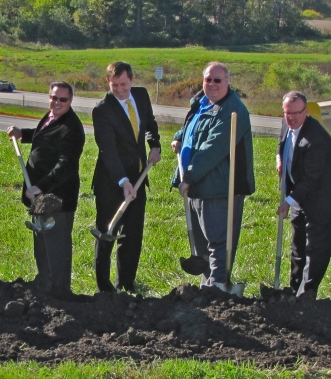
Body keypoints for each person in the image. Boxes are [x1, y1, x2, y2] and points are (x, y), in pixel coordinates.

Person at [170, 62, 255, 289]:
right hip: (199, 184)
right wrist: (179, 136)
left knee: (218, 241)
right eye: (208, 79)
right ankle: (207, 285)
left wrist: (188, 177)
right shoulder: (202, 103)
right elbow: (194, 126)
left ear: (228, 82)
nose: (212, 84)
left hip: (220, 186)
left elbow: (211, 149)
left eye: (218, 80)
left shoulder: (232, 111)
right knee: (202, 243)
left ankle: (217, 288)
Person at [6, 82, 86, 297]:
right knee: (42, 244)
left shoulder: (72, 128)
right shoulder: (52, 117)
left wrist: (40, 188)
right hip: (40, 197)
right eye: (53, 97)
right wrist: (23, 133)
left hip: (57, 199)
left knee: (56, 247)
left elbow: (65, 166)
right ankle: (45, 287)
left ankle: (60, 293)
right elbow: (46, 138)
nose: (56, 102)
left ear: (70, 101)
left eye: (62, 99)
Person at [91, 61, 161, 293]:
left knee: (132, 236)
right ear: (107, 82)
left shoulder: (140, 96)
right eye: (114, 85)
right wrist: (123, 181)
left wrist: (154, 145)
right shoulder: (102, 110)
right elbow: (108, 150)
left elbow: (149, 123)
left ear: (132, 79)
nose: (120, 90)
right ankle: (104, 288)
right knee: (107, 232)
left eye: (123, 84)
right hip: (112, 181)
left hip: (139, 178)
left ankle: (127, 285)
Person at [277, 90, 331, 300]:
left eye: (296, 113)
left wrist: (288, 201)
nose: (290, 118)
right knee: (297, 246)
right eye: (287, 113)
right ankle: (294, 289)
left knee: (314, 250)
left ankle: (307, 294)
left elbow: (311, 178)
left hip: (322, 201)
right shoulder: (286, 124)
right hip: (300, 196)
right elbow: (283, 145)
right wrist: (279, 159)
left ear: (306, 111)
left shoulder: (317, 139)